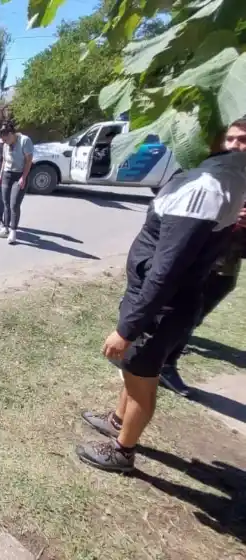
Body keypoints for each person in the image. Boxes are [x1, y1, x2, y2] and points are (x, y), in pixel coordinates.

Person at [76, 117, 246, 473]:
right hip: (160, 301)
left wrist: (128, 328)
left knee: (142, 379)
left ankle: (122, 451)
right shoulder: (218, 177)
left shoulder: (206, 187)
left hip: (162, 307)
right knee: (133, 368)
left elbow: (166, 270)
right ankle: (118, 421)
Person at [158, 207, 246, 396]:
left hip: (227, 261)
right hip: (204, 255)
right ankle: (163, 363)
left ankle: (161, 357)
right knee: (184, 310)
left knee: (195, 312)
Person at [0, 122, 33, 244]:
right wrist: (0, 176)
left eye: (6, 140)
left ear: (11, 134)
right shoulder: (5, 143)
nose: (5, 143)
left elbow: (29, 161)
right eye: (3, 141)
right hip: (6, 174)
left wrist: (23, 177)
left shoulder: (25, 141)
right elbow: (4, 160)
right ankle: (5, 228)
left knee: (14, 204)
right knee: (5, 202)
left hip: (19, 175)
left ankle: (13, 231)